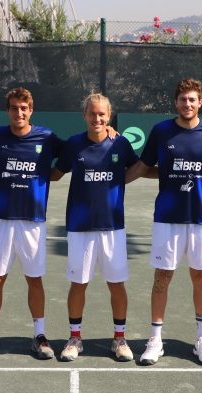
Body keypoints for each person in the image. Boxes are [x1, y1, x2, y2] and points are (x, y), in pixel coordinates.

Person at [127, 78, 202, 366]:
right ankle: (155, 339)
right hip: (167, 218)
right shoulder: (161, 131)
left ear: (200, 102)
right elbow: (143, 166)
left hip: (201, 218)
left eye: (192, 99)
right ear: (175, 102)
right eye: (182, 99)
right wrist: (116, 181)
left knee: (200, 277)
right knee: (162, 277)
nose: (187, 104)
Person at [0, 87, 64, 361]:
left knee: (34, 279)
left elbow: (76, 150)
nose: (19, 113)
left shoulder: (46, 137)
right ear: (8, 110)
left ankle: (40, 335)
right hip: (1, 219)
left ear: (31, 110)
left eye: (24, 108)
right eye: (14, 108)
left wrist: (109, 131)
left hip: (33, 221)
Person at [52, 93, 138, 362]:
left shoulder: (120, 144)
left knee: (116, 284)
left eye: (102, 114)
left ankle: (119, 339)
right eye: (92, 113)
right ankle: (75, 338)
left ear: (109, 116)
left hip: (112, 227)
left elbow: (139, 167)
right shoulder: (73, 145)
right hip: (80, 227)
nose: (97, 118)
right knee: (78, 284)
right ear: (84, 115)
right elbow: (54, 174)